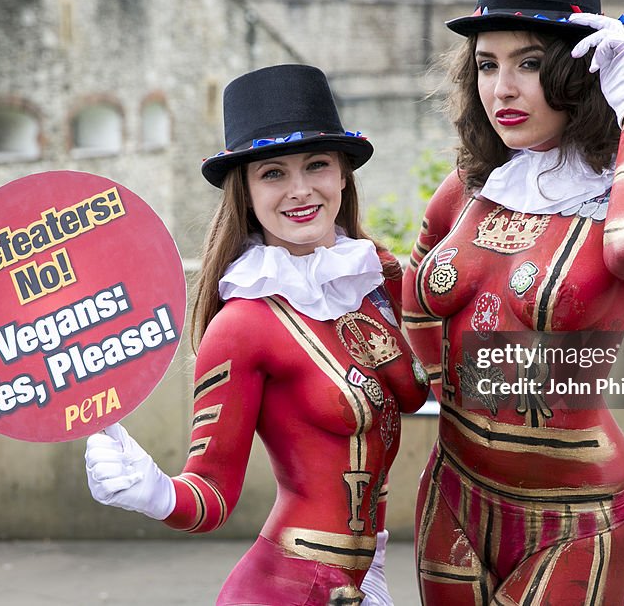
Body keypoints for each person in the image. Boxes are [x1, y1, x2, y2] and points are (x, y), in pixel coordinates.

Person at [402, 0, 624, 604]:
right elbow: (414, 294)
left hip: (577, 517)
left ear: (578, 71)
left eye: (529, 63)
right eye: (486, 64)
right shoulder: (469, 189)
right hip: (452, 495)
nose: (501, 88)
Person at [84, 64, 430, 605]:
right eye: (272, 173)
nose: (300, 190)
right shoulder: (242, 325)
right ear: (245, 190)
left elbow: (418, 388)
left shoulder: (373, 279)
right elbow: (210, 497)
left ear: (343, 174)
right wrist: (148, 491)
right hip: (286, 589)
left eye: (316, 165)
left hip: (365, 580)